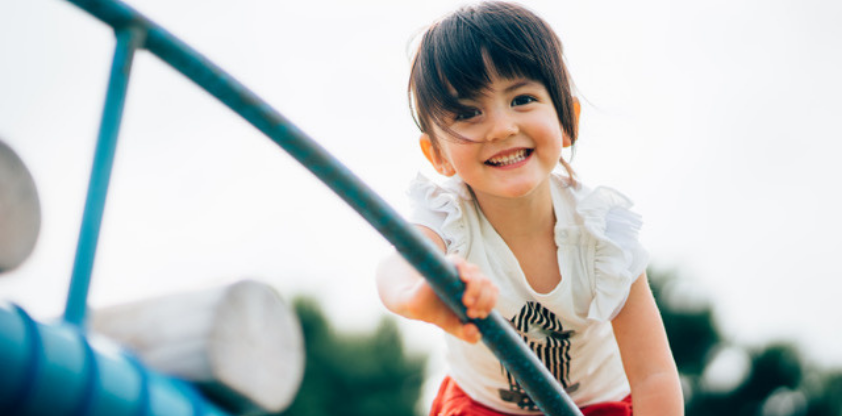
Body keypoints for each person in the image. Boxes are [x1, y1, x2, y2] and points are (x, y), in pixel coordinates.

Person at [376, 1, 683, 415]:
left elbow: (653, 377)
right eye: (468, 113)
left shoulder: (603, 236)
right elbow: (397, 267)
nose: (502, 127)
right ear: (438, 155)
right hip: (482, 406)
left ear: (566, 120)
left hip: (597, 406)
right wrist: (421, 295)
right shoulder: (447, 216)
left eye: (521, 99)